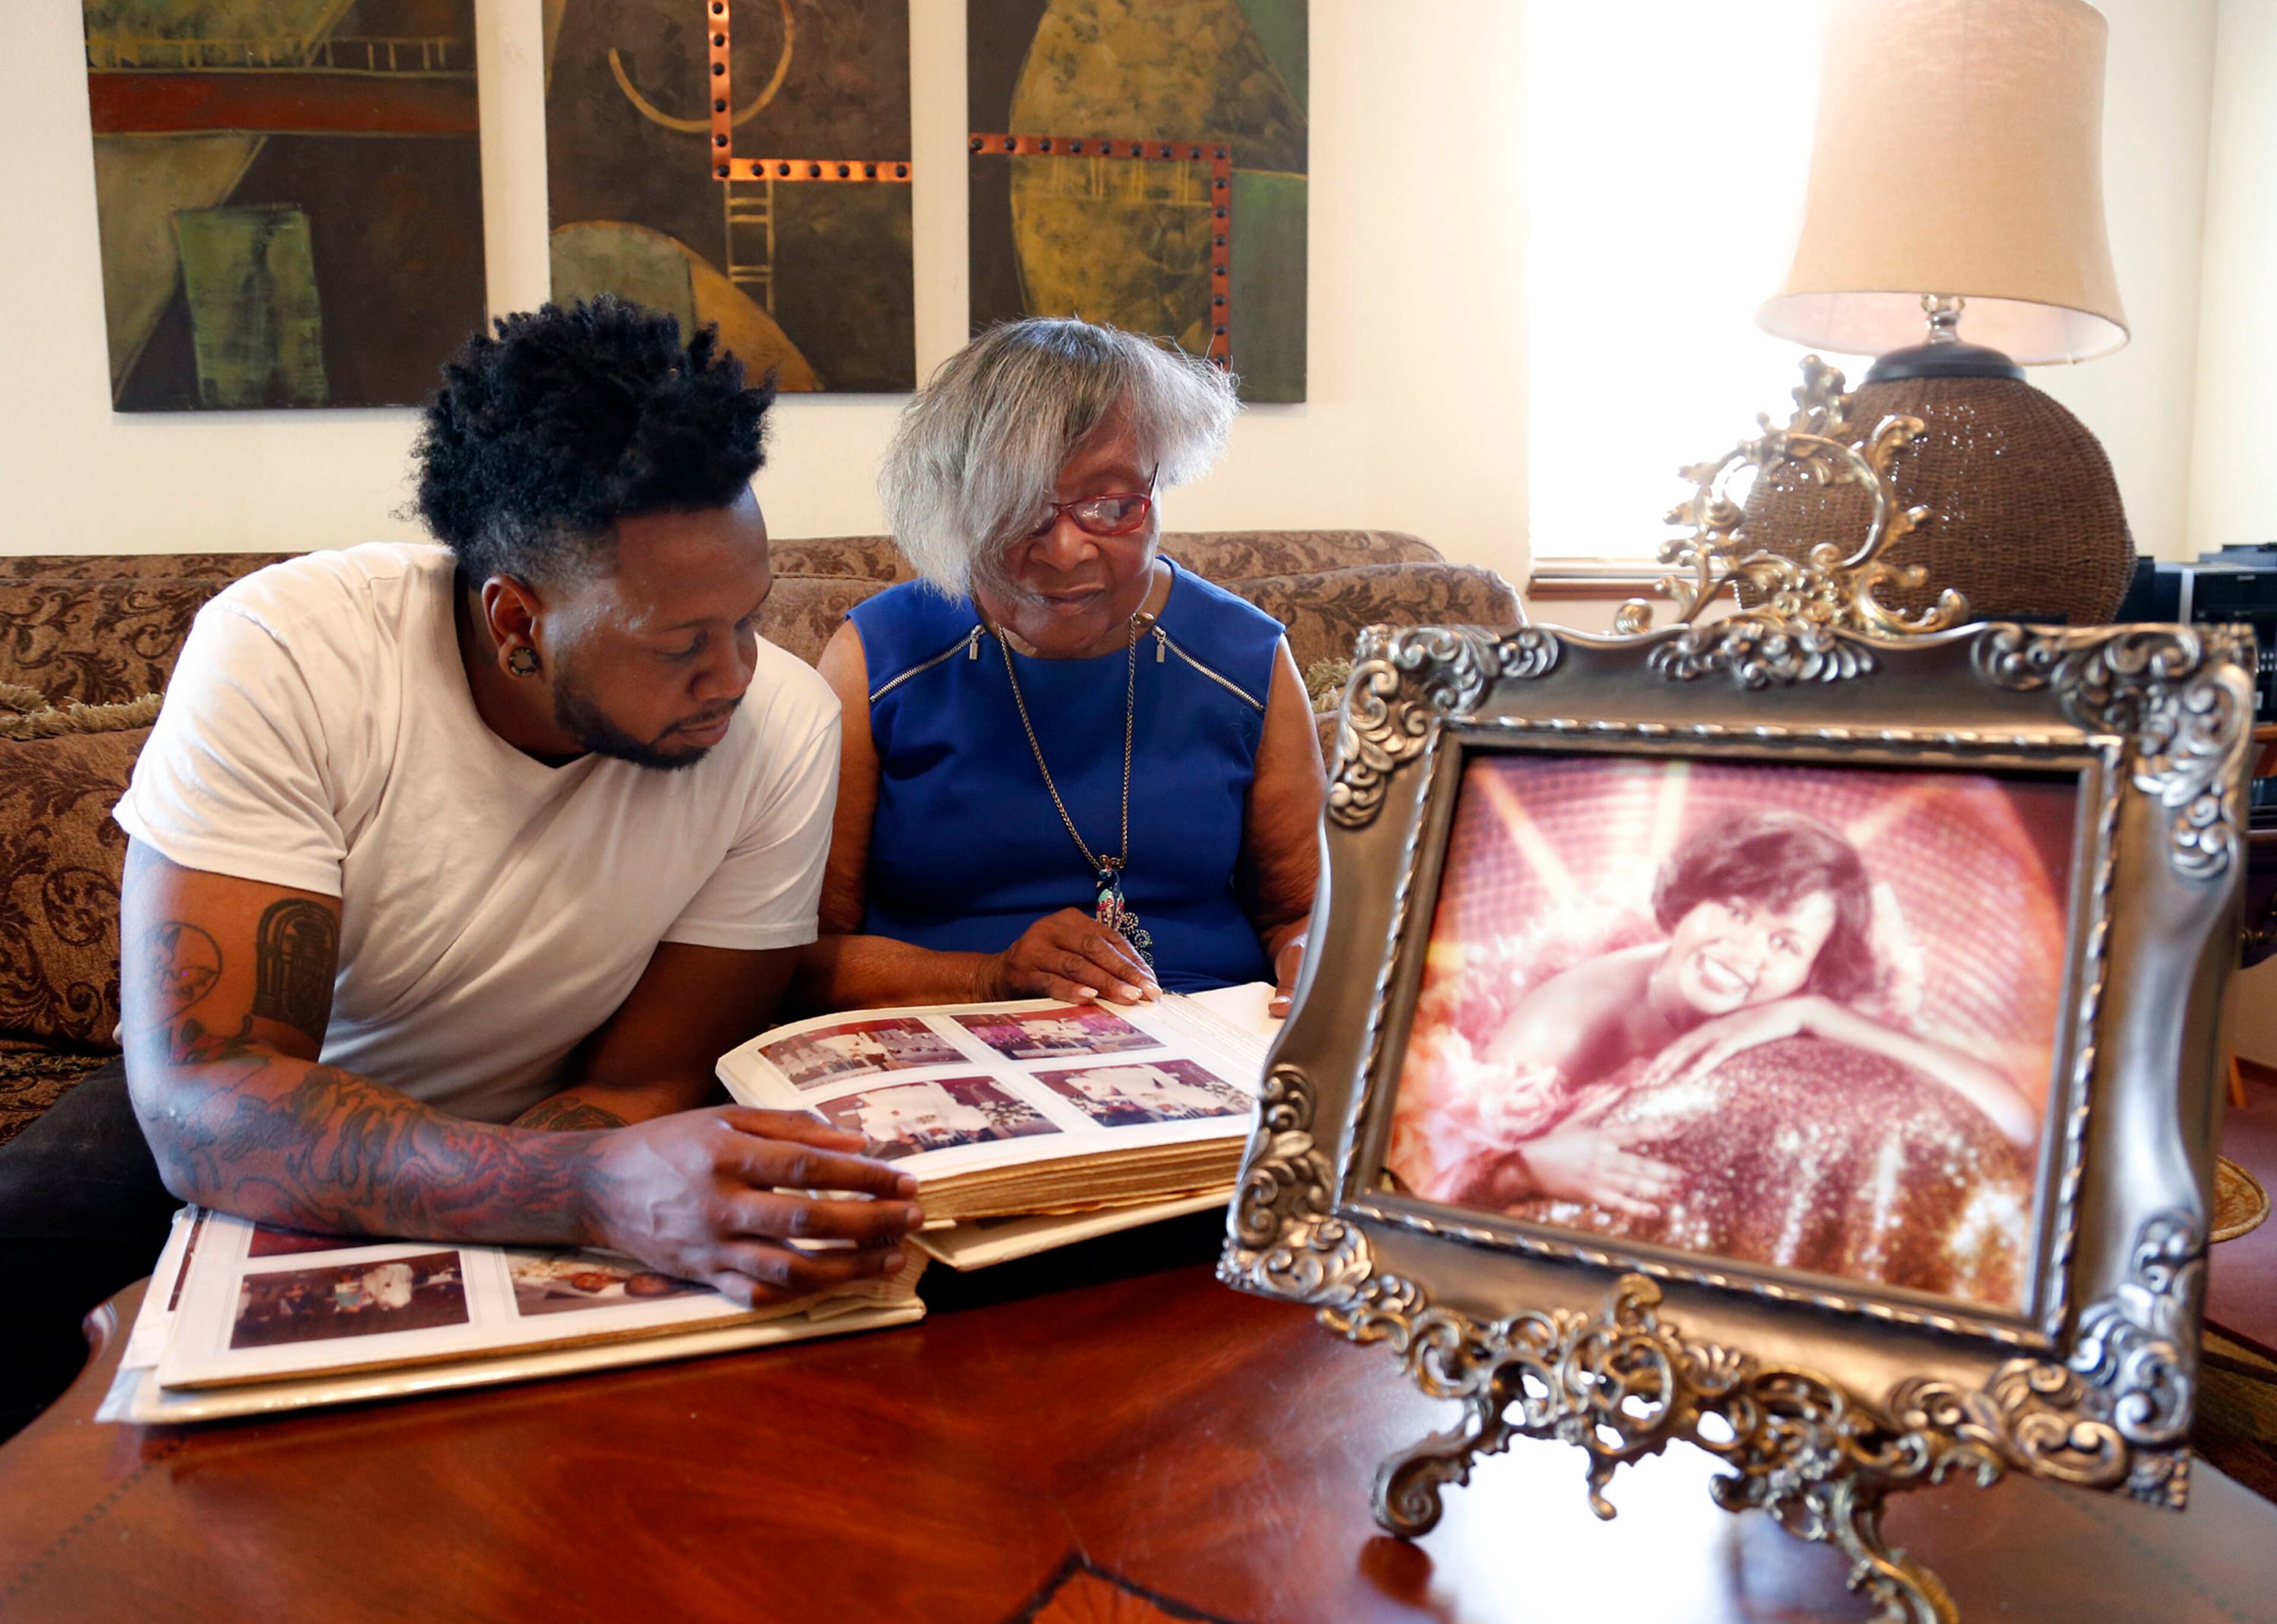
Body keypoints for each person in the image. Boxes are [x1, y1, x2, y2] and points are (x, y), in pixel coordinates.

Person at [0, 299, 920, 1437]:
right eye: (681, 643)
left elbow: (644, 1083)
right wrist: (588, 1193)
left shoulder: (780, 723)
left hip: (556, 1113)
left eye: (749, 618)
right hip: (258, 1103)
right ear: (516, 621)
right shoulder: (289, 653)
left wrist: (582, 1197)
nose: (735, 674)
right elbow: (205, 1101)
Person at [797, 318, 1325, 1016]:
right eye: (1019, 510)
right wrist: (989, 977)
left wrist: (1310, 966)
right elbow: (799, 956)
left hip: (1206, 1032)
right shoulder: (880, 657)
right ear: (959, 504)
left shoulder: (1245, 657)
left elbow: (1301, 913)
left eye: (1112, 505)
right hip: (952, 1037)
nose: (1068, 551)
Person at [1399, 811, 2040, 1214]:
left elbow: (2013, 1120)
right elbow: (1418, 1184)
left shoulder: (1792, 1004)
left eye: (1784, 943)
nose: (1745, 952)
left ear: (1808, 974)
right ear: (1694, 899)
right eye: (1737, 912)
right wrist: (1524, 1170)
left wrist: (1815, 1016)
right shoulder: (1562, 1025)